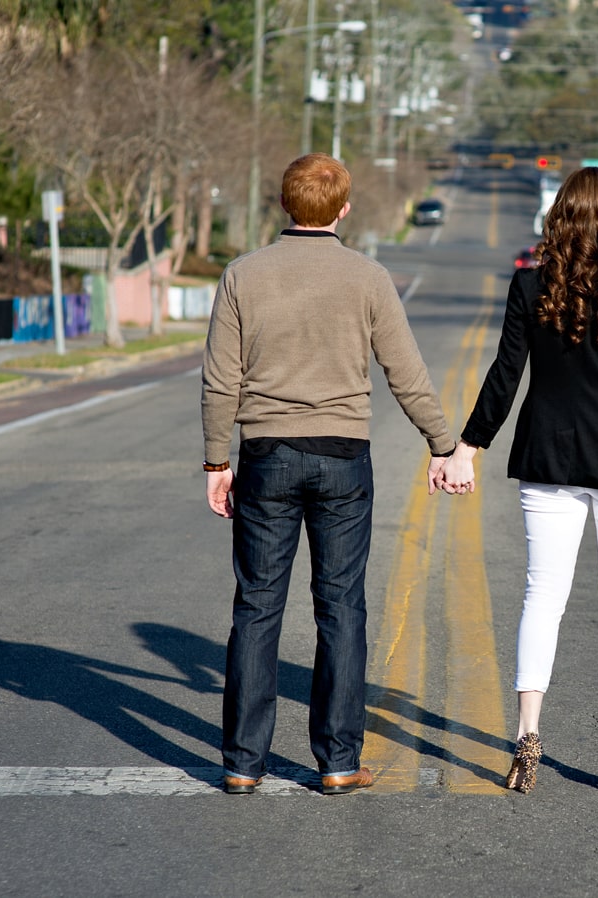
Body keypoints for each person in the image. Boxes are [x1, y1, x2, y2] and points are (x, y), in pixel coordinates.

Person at [202, 153, 455, 795]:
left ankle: (241, 763)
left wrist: (215, 460)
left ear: (285, 206)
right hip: (343, 456)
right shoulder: (367, 278)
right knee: (340, 605)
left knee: (257, 607)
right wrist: (444, 443)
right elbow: (406, 372)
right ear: (343, 209)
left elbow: (220, 380)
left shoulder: (242, 275)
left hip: (266, 453)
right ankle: (339, 761)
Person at [438, 166, 598, 796]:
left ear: (562, 215)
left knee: (541, 595)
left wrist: (468, 448)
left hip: (548, 458)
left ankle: (527, 739)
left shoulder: (530, 287)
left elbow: (505, 376)